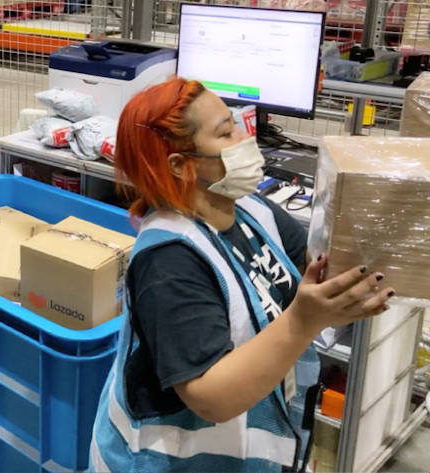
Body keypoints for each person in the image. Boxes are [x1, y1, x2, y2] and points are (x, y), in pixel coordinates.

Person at [90, 78, 394, 472]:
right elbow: (210, 396)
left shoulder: (252, 208)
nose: (244, 138)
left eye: (236, 124)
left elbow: (321, 263)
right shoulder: (169, 261)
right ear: (183, 165)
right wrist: (304, 320)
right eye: (225, 132)